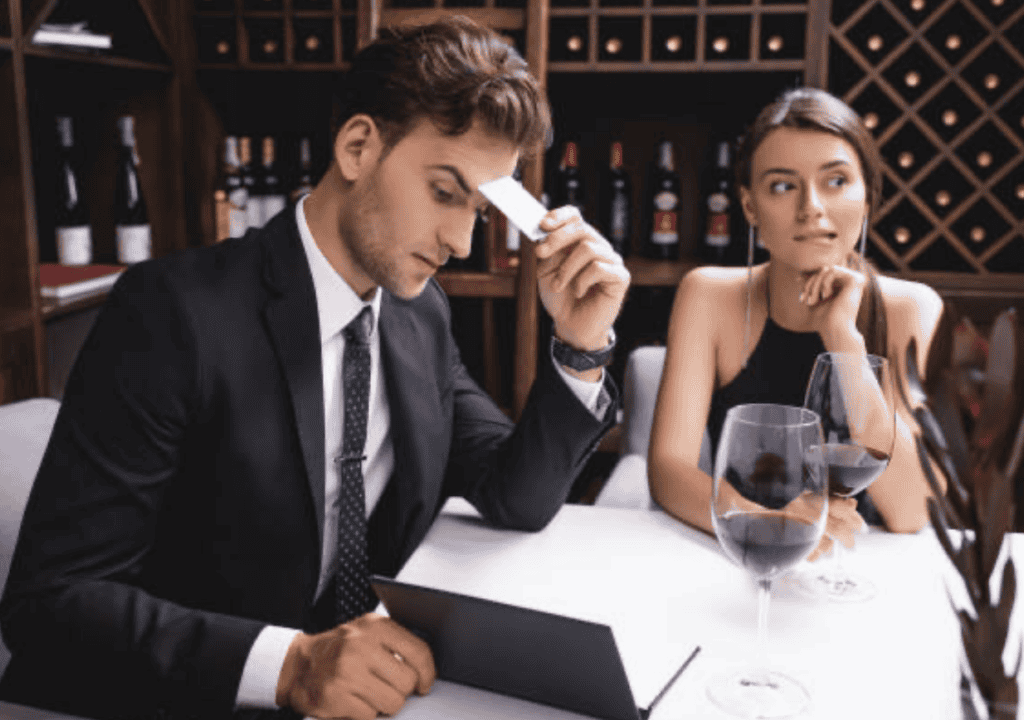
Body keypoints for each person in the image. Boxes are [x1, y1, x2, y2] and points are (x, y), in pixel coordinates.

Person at [0, 16, 629, 720]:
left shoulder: (417, 315)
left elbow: (515, 495)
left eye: (479, 210)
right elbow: (48, 603)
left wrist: (581, 343)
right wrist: (290, 665)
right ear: (359, 146)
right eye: (445, 192)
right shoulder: (171, 314)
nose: (459, 240)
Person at [648, 87, 946, 558]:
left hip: (865, 567)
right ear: (749, 207)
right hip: (742, 556)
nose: (811, 207)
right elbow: (668, 469)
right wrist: (765, 525)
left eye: (836, 181)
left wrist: (842, 338)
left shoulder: (910, 307)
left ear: (867, 196)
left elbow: (912, 509)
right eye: (783, 186)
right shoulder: (707, 294)